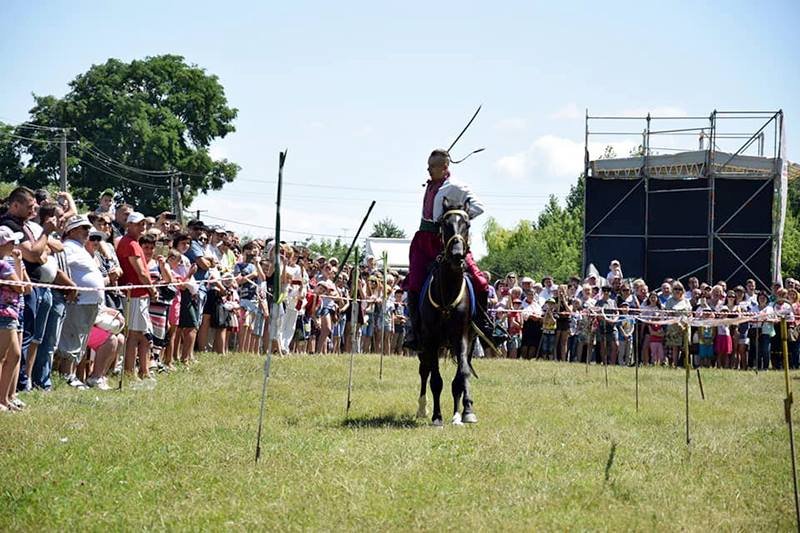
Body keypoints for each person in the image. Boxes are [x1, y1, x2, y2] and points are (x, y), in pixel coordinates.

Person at [403, 149, 496, 351]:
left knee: (480, 281)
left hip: (446, 240)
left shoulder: (456, 186)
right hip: (423, 241)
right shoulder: (430, 185)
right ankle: (414, 328)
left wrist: (458, 218)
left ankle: (485, 325)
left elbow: (479, 206)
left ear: (445, 167)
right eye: (428, 166)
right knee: (414, 282)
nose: (428, 170)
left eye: (432, 166)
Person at [116, 211, 157, 379]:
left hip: (138, 293)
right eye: (139, 224)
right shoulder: (131, 244)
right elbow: (140, 271)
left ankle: (142, 370)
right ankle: (130, 373)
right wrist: (152, 289)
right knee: (133, 335)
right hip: (134, 293)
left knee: (141, 334)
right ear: (129, 225)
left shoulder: (133, 243)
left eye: (144, 224)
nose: (143, 227)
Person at [0, 228, 26, 411]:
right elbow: (21, 287)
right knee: (1, 357)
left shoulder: (7, 263)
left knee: (14, 355)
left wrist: (18, 261)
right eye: (11, 242)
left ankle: (4, 398)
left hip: (11, 314)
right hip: (4, 314)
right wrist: (16, 263)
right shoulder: (3, 266)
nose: (15, 245)